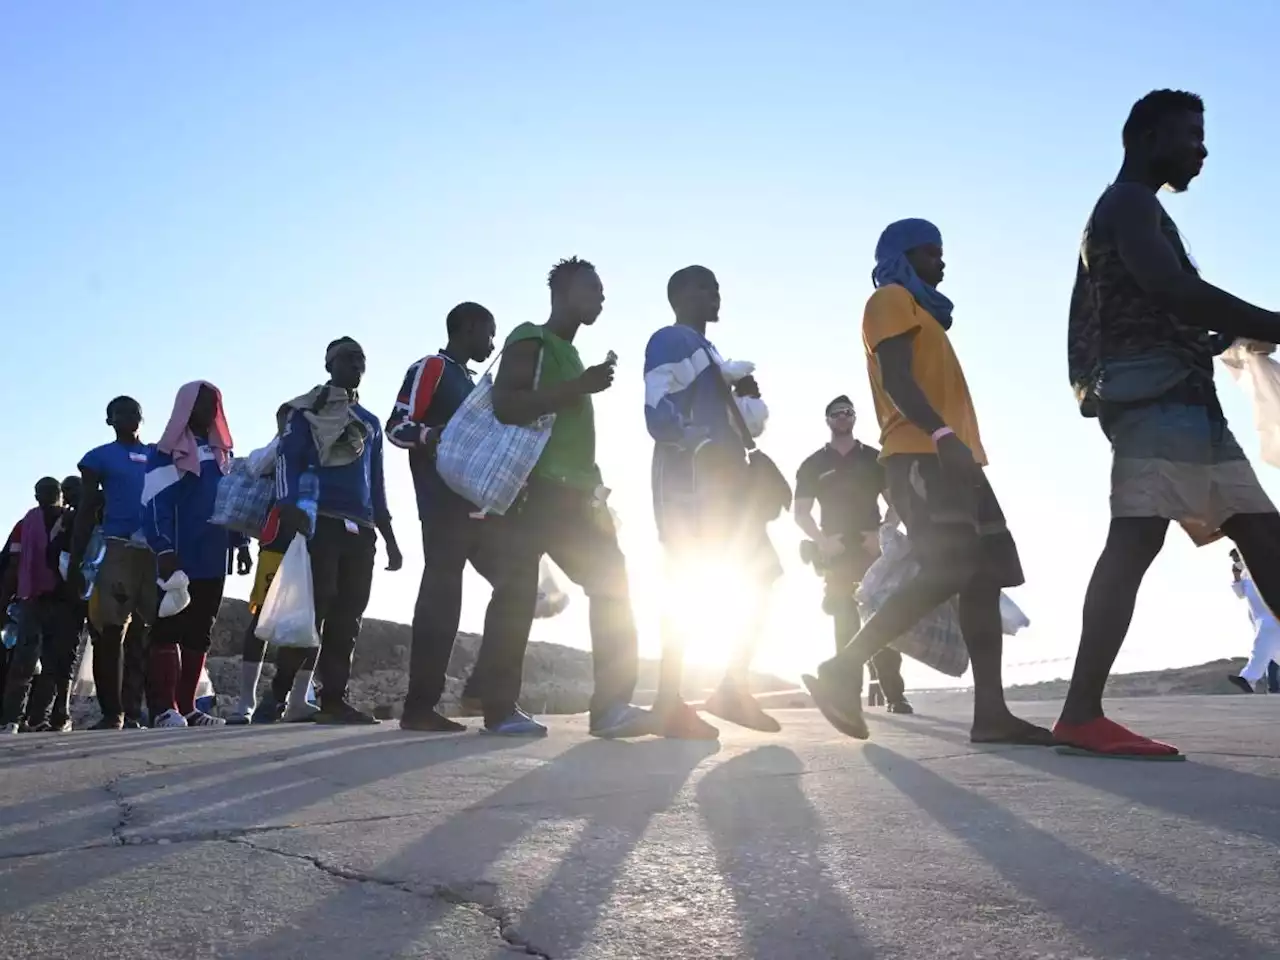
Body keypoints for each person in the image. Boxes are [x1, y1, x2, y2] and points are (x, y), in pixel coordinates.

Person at [1056, 89, 1280, 758]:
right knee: (1134, 542)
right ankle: (1081, 713)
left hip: (1186, 400)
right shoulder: (1127, 203)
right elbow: (1170, 289)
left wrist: (1225, 339)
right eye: (1190, 135)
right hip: (1153, 399)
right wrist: (1272, 323)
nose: (1202, 150)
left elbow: (1166, 305)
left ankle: (1080, 712)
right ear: (1149, 137)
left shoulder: (1139, 209)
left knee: (1266, 538)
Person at [802, 219, 1052, 747]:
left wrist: (956, 445)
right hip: (921, 455)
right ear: (903, 255)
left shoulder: (925, 316)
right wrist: (940, 433)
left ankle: (992, 714)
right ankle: (842, 668)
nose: (942, 262)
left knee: (982, 577)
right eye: (932, 252)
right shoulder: (890, 299)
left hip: (956, 460)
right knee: (951, 566)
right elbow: (896, 377)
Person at [491, 256, 651, 739]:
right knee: (517, 594)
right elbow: (506, 404)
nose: (600, 297)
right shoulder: (530, 337)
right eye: (590, 288)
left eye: (602, 290)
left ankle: (611, 706)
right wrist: (577, 387)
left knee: (613, 585)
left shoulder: (574, 355)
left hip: (580, 494)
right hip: (534, 489)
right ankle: (499, 709)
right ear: (561, 293)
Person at [643, 265, 786, 739]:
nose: (716, 295)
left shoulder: (713, 353)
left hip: (729, 483)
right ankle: (668, 699)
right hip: (689, 479)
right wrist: (696, 442)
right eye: (707, 288)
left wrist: (748, 396)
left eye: (718, 288)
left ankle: (731, 686)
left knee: (760, 575)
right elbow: (655, 408)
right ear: (681, 294)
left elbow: (747, 423)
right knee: (686, 581)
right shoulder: (670, 339)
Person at [388, 303, 543, 734]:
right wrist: (433, 436)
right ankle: (419, 708)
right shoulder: (433, 368)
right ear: (470, 327)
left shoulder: (474, 382)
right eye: (489, 334)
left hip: (480, 508)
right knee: (443, 599)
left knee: (517, 584)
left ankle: (490, 693)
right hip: (442, 508)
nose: (492, 344)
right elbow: (397, 425)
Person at [273, 338, 403, 725]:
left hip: (360, 529)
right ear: (329, 365)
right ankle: (276, 697)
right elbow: (287, 459)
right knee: (313, 609)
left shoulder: (370, 423)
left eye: (360, 358)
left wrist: (390, 538)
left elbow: (376, 483)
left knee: (349, 617)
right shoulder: (306, 411)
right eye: (347, 358)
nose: (355, 364)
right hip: (319, 520)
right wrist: (288, 506)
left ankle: (333, 698)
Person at [794, 395, 912, 714]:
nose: (843, 417)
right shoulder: (813, 464)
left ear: (854, 418)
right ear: (828, 420)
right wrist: (821, 541)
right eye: (836, 414)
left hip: (872, 551)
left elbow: (896, 503)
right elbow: (801, 513)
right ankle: (848, 697)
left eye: (848, 413)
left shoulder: (875, 459)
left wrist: (881, 534)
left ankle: (895, 695)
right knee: (844, 622)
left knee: (882, 620)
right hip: (836, 555)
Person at [143, 381, 250, 728]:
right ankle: (164, 709)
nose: (209, 409)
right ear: (184, 408)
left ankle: (188, 707)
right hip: (179, 556)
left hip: (213, 555)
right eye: (201, 402)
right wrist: (164, 548)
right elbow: (154, 504)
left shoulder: (223, 455)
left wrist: (241, 543)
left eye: (214, 402)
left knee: (200, 632)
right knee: (167, 629)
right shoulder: (165, 453)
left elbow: (232, 503)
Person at [69, 396, 155, 730]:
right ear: (109, 420)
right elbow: (87, 508)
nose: (128, 416)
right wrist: (77, 561)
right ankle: (112, 712)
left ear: (142, 418)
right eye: (120, 413)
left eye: (134, 411)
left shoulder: (156, 456)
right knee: (111, 631)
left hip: (153, 549)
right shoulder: (98, 458)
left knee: (146, 632)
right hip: (117, 549)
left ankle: (136, 710)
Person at [1, 478, 82, 734]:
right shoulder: (26, 525)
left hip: (59, 601)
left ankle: (33, 718)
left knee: (46, 663)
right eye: (42, 493)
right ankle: (19, 717)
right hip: (37, 600)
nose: (46, 498)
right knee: (31, 661)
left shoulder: (69, 523)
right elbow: (11, 567)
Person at [21, 475, 87, 731]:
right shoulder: (65, 519)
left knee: (61, 658)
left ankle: (56, 713)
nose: (68, 495)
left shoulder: (77, 518)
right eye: (66, 490)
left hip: (74, 595)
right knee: (55, 658)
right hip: (62, 596)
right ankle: (51, 714)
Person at [1228, 550, 1280, 694]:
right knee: (1274, 653)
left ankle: (1248, 679)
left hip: (1272, 617)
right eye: (1234, 559)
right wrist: (1236, 575)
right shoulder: (1245, 575)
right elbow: (1240, 594)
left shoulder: (1265, 569)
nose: (1236, 561)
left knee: (1261, 643)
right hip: (1258, 619)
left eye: (1237, 557)